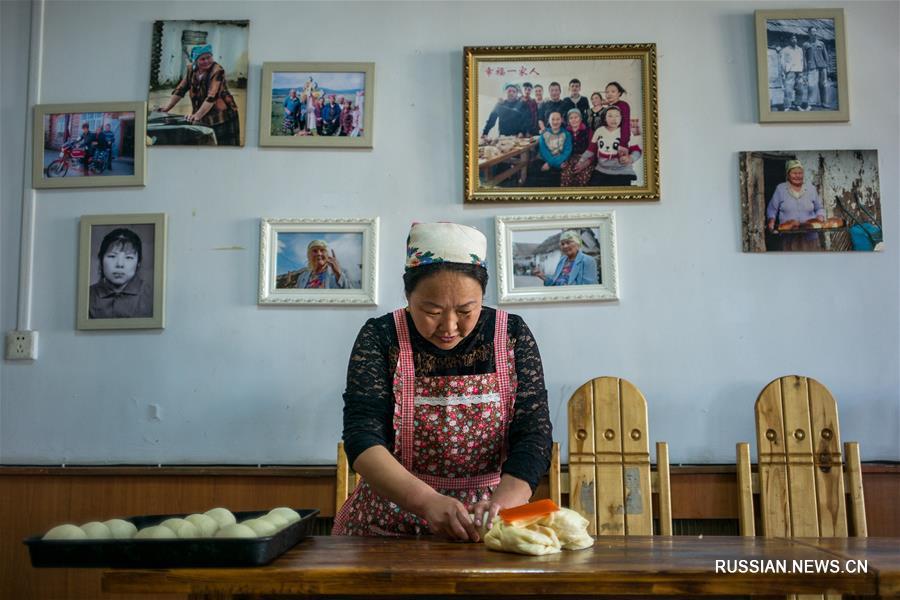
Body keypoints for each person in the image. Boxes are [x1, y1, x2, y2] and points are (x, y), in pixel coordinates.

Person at [333, 222, 551, 540]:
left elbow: (534, 436)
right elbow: (362, 439)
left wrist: (500, 506)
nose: (449, 327)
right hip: (390, 523)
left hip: (488, 525)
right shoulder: (381, 337)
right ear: (409, 296)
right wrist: (427, 502)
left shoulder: (511, 335)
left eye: (466, 310)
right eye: (432, 311)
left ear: (482, 297)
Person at [158, 44, 241, 145]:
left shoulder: (217, 70)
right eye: (202, 59)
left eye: (209, 57)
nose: (206, 61)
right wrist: (167, 107)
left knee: (223, 146)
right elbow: (180, 90)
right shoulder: (191, 70)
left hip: (221, 116)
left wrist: (197, 115)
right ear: (195, 60)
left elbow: (212, 97)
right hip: (202, 113)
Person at [89, 228, 153, 318]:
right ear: (101, 260)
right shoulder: (87, 296)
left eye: (128, 258)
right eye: (112, 256)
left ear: (138, 263)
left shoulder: (151, 297)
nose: (119, 264)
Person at [766, 159, 825, 251]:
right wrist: (771, 221)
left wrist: (820, 217)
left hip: (810, 236)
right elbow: (772, 209)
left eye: (800, 173)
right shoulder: (780, 189)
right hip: (789, 238)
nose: (798, 176)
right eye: (794, 173)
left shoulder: (811, 189)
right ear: (788, 174)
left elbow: (819, 208)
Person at [574, 105, 641, 186]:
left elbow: (637, 150)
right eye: (610, 116)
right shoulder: (599, 131)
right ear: (604, 118)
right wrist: (581, 160)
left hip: (622, 172)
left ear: (621, 118)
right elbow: (591, 149)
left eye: (617, 116)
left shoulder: (626, 132)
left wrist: (631, 158)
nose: (614, 119)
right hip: (601, 170)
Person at [531, 230, 598, 286]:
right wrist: (543, 276)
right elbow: (555, 281)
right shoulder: (562, 260)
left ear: (578, 244)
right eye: (562, 244)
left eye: (568, 242)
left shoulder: (588, 261)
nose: (565, 246)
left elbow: (589, 288)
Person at [560, 109, 592, 187]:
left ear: (580, 118)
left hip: (585, 158)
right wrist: (561, 160)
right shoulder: (565, 132)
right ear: (568, 121)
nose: (573, 120)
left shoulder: (588, 131)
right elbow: (561, 148)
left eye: (576, 117)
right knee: (566, 177)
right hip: (569, 158)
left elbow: (592, 149)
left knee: (582, 178)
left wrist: (587, 162)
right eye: (571, 118)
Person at [803, 27, 830, 109]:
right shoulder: (805, 45)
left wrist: (827, 66)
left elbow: (826, 56)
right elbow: (804, 58)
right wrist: (805, 68)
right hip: (812, 67)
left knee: (823, 85)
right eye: (813, 32)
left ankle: (824, 102)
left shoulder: (821, 43)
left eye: (815, 32)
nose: (814, 33)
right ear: (809, 33)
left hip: (822, 66)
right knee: (811, 85)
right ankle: (811, 103)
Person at [600, 82, 631, 152]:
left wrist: (623, 144)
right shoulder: (608, 107)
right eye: (607, 92)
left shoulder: (624, 105)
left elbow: (625, 125)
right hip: (607, 143)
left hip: (619, 143)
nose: (609, 94)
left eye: (613, 91)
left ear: (619, 93)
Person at [780, 35, 806, 111]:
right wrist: (783, 72)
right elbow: (782, 62)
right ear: (789, 40)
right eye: (792, 38)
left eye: (795, 38)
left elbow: (802, 60)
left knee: (800, 89)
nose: (794, 40)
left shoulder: (800, 50)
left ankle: (797, 105)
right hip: (790, 71)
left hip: (799, 71)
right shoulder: (785, 50)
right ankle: (787, 106)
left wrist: (803, 71)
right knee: (788, 90)